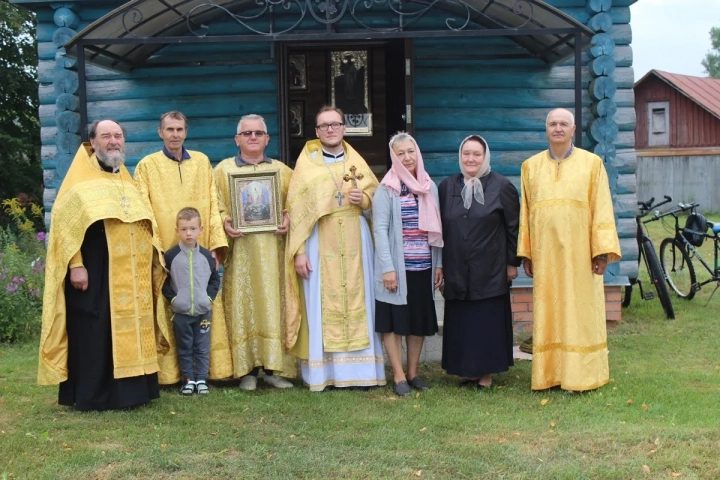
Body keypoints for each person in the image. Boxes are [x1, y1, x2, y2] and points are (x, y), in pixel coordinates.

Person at [38, 119, 163, 410]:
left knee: (127, 329)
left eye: (118, 136)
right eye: (106, 136)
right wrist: (75, 265)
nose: (114, 141)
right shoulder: (78, 181)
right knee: (95, 329)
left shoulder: (126, 180)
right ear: (92, 143)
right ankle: (93, 394)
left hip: (130, 273)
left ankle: (132, 393)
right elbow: (66, 230)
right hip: (94, 270)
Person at [518, 108, 621, 392]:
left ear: (574, 129)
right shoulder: (530, 167)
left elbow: (601, 207)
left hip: (580, 256)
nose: (558, 128)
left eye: (564, 123)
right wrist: (526, 252)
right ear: (546, 129)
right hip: (546, 255)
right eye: (553, 124)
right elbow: (525, 213)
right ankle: (550, 374)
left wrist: (600, 252)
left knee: (580, 313)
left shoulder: (592, 163)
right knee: (550, 312)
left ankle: (582, 376)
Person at [285, 106, 386, 391]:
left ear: (343, 128)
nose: (330, 129)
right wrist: (300, 251)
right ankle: (324, 373)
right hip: (320, 238)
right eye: (324, 125)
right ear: (316, 131)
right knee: (321, 301)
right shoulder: (307, 164)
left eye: (335, 124)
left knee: (360, 297)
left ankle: (363, 374)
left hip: (356, 236)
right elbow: (296, 211)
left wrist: (363, 199)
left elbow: (375, 196)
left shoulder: (357, 162)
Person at [134, 111, 231, 385]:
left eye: (179, 129)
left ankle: (206, 373)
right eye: (170, 129)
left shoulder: (201, 162)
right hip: (167, 250)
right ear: (160, 132)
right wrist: (155, 248)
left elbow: (212, 204)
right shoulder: (146, 166)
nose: (175, 134)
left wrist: (215, 244)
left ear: (186, 132)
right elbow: (144, 209)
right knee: (170, 307)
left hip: (198, 250)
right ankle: (171, 373)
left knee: (202, 309)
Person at [214, 114, 296, 390]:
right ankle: (247, 370)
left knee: (273, 306)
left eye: (258, 133)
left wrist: (287, 217)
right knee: (243, 306)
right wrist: (225, 219)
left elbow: (294, 203)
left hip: (274, 252)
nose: (252, 137)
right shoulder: (223, 171)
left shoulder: (283, 172)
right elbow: (215, 204)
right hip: (241, 253)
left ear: (267, 138)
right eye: (246, 133)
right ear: (237, 139)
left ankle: (273, 369)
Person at [439, 135, 520, 390]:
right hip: (456, 267)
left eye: (476, 154)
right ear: (460, 157)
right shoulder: (447, 186)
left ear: (486, 157)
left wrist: (511, 263)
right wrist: (440, 263)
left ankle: (485, 374)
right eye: (466, 154)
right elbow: (439, 227)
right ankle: (467, 370)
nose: (471, 159)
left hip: (490, 269)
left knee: (485, 321)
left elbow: (513, 228)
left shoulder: (502, 186)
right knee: (463, 321)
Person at [372, 132, 444, 396]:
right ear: (393, 157)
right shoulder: (386, 189)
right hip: (396, 271)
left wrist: (438, 265)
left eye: (410, 151)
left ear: (418, 153)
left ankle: (413, 372)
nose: (407, 157)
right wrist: (388, 269)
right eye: (400, 153)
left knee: (417, 321)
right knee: (393, 322)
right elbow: (380, 229)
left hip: (423, 267)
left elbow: (437, 231)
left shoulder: (428, 185)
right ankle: (399, 375)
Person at [162, 207, 221, 395]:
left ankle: (202, 379)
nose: (189, 233)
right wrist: (174, 300)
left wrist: (209, 298)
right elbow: (163, 282)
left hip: (203, 311)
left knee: (202, 347)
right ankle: (188, 380)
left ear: (201, 230)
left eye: (193, 229)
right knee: (185, 347)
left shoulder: (206, 256)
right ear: (177, 231)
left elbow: (215, 278)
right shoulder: (170, 256)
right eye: (185, 229)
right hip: (181, 313)